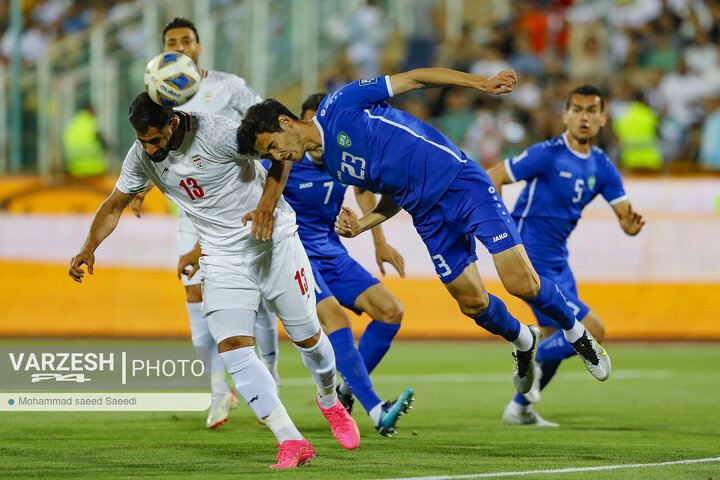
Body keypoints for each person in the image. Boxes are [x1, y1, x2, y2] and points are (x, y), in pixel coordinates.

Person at [236, 68, 612, 399]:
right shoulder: (332, 165)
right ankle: (523, 339)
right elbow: (395, 191)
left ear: (286, 123)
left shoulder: (340, 104)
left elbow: (416, 78)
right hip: (427, 215)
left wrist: (478, 82)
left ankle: (579, 335)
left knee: (521, 284)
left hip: (463, 185)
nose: (276, 156)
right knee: (473, 304)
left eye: (272, 146)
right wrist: (363, 225)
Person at [69, 93, 360, 468]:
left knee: (308, 339)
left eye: (155, 139)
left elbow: (280, 154)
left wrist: (266, 207)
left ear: (173, 124)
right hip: (222, 257)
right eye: (143, 141)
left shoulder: (219, 133)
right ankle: (291, 440)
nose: (150, 148)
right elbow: (113, 205)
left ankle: (328, 398)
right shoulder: (141, 156)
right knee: (233, 348)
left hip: (275, 243)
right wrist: (89, 247)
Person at [128, 17, 280, 430]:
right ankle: (218, 392)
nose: (179, 47)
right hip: (191, 211)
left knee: (260, 297)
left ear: (198, 46)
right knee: (193, 292)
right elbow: (151, 150)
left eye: (185, 41)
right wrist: (140, 188)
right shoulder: (156, 97)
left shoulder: (230, 86)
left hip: (236, 207)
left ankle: (271, 382)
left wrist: (270, 189)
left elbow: (265, 127)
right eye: (170, 43)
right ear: (162, 53)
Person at [487, 85, 645, 426]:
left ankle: (519, 408)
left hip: (559, 260)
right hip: (531, 258)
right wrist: (503, 233)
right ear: (565, 116)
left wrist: (630, 227)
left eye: (591, 110)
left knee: (556, 330)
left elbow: (625, 215)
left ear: (603, 118)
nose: (583, 116)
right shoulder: (547, 153)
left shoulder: (603, 167)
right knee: (593, 330)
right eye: (577, 109)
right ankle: (534, 356)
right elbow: (494, 176)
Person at [277, 93, 414, 435]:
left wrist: (379, 241)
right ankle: (376, 409)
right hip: (298, 257)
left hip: (333, 254)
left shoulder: (342, 160)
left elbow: (364, 188)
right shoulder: (283, 163)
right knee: (335, 317)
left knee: (391, 310)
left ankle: (347, 388)